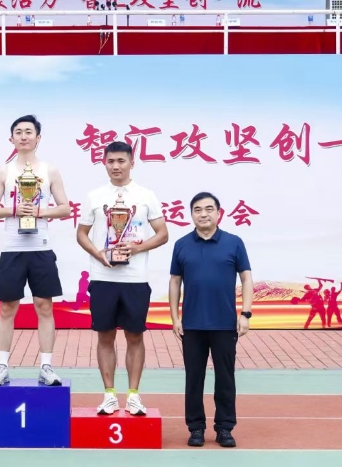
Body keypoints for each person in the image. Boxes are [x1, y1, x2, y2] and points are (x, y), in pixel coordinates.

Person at [76, 141, 168, 416]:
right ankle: (109, 395)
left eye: (121, 161)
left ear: (131, 163)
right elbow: (81, 234)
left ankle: (134, 396)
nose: (116, 166)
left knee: (134, 336)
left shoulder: (146, 196)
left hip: (135, 279)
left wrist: (137, 248)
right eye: (111, 161)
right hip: (103, 277)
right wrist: (98, 254)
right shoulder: (94, 196)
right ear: (104, 163)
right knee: (105, 336)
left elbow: (162, 234)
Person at [0, 115, 71, 386]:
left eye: (29, 132)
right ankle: (2, 366)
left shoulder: (50, 170)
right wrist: (14, 209)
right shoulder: (4, 171)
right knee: (7, 307)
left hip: (41, 248)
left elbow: (65, 208)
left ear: (38, 137)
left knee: (44, 306)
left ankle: (46, 366)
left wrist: (38, 211)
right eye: (19, 132)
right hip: (12, 248)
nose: (24, 136)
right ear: (11, 139)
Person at [168, 191, 253, 448]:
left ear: (218, 213)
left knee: (225, 378)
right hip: (192, 325)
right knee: (194, 379)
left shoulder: (234, 243)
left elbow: (246, 278)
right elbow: (175, 282)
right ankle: (196, 428)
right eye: (197, 210)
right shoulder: (182, 244)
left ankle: (225, 428)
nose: (203, 214)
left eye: (208, 209)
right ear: (191, 214)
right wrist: (175, 318)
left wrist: (245, 314)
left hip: (225, 325)